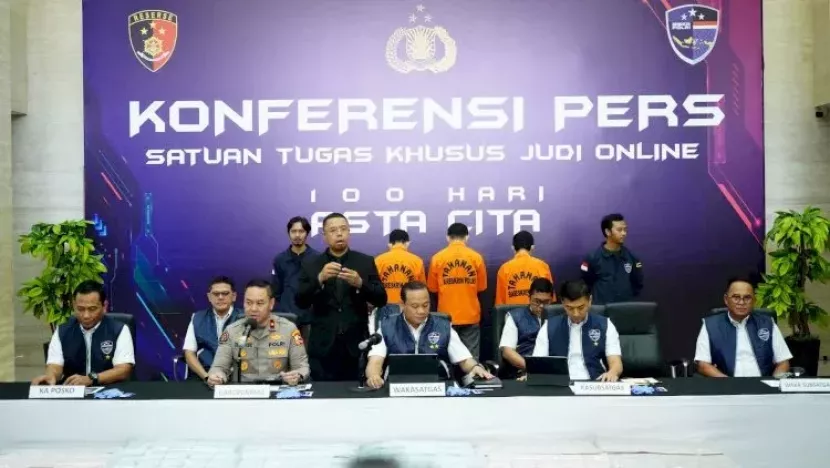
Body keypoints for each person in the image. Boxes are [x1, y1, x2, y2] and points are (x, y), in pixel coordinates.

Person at [295, 213, 388, 381]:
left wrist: (361, 284)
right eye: (333, 230)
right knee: (322, 395)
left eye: (343, 229)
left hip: (356, 346)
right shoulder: (311, 264)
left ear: (349, 232)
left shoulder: (365, 261)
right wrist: (319, 279)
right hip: (322, 347)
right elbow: (300, 301)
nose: (339, 233)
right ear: (324, 236)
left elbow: (381, 299)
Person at [365, 281, 493, 389]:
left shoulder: (443, 326)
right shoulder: (387, 326)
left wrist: (475, 367)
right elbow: (375, 362)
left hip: (439, 388)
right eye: (415, 306)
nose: (421, 311)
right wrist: (373, 376)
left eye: (425, 305)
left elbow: (464, 360)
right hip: (397, 388)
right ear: (402, 304)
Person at [207, 279, 310, 385]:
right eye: (248, 303)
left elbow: (302, 367)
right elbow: (219, 367)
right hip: (244, 391)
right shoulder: (232, 331)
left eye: (260, 303)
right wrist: (217, 376)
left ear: (271, 303)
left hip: (278, 390)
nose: (253, 308)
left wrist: (297, 375)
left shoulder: (288, 329)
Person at [32, 281, 134, 386]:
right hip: (72, 391)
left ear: (104, 306)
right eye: (80, 309)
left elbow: (123, 370)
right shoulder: (63, 331)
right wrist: (50, 377)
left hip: (108, 391)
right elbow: (55, 366)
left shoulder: (119, 330)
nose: (86, 315)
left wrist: (92, 378)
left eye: (92, 309)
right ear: (73, 305)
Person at [694, 276, 792, 377]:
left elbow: (783, 362)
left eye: (747, 298)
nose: (741, 302)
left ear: (754, 300)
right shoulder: (710, 325)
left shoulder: (767, 323)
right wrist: (727, 383)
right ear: (726, 299)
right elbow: (703, 364)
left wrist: (774, 383)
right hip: (726, 383)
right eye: (736, 297)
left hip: (761, 384)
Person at [532, 280, 623, 382]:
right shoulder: (549, 327)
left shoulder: (605, 325)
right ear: (563, 303)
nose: (575, 313)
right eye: (570, 308)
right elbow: (538, 362)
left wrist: (613, 372)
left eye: (581, 307)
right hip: (559, 383)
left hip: (595, 382)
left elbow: (616, 363)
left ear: (590, 301)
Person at [427, 222, 487, 359]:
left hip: (445, 316)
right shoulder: (476, 257)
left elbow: (432, 288)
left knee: (446, 357)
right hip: (470, 314)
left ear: (448, 237)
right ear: (467, 237)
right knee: (471, 358)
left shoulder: (437, 258)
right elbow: (481, 288)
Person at [181, 276, 245, 380]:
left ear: (234, 296)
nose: (220, 297)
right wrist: (207, 377)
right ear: (209, 297)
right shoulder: (197, 318)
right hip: (204, 374)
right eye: (216, 294)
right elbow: (189, 353)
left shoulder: (245, 318)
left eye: (225, 293)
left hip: (237, 376)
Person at [580, 213, 643, 305]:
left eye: (625, 229)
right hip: (601, 308)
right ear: (607, 232)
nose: (624, 233)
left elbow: (637, 283)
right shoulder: (592, 257)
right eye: (619, 230)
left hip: (625, 308)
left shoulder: (632, 257)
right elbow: (585, 283)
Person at [499, 278, 555, 374]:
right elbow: (507, 351)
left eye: (546, 302)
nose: (541, 306)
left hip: (553, 370)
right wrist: (533, 368)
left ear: (552, 299)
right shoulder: (515, 317)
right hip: (524, 370)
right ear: (529, 297)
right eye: (537, 301)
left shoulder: (558, 317)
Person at [271, 216, 318, 326]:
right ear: (289, 233)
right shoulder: (280, 259)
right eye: (293, 231)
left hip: (310, 319)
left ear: (307, 233)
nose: (297, 235)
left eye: (301, 231)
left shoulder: (318, 258)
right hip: (285, 317)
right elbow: (277, 290)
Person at [373, 229, 426, 324]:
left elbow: (373, 287)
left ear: (390, 244)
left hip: (385, 307)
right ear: (407, 243)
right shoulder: (417, 261)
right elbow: (421, 288)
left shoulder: (379, 260)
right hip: (408, 306)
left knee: (384, 332)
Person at [495, 231, 554, 306]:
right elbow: (550, 298)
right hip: (538, 311)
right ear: (532, 247)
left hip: (513, 312)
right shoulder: (543, 266)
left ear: (513, 248)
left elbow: (500, 303)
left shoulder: (504, 269)